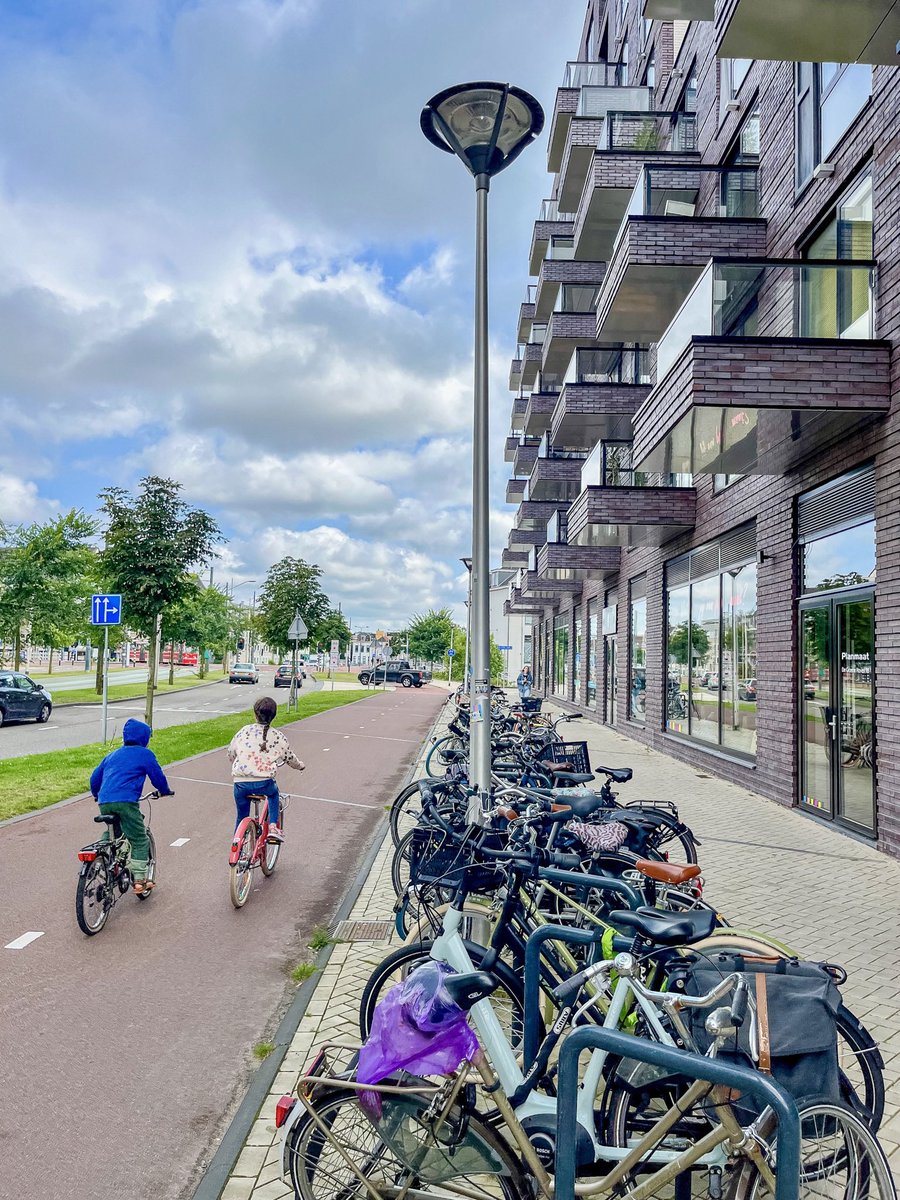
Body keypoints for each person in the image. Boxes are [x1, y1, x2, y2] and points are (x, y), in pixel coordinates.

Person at [89, 718, 173, 895]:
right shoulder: (144, 754)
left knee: (114, 832)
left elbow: (94, 778)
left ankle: (100, 858)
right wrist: (164, 790)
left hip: (105, 802)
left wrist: (97, 795)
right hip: (126, 802)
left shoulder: (112, 755)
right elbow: (157, 776)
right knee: (140, 839)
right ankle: (140, 880)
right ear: (144, 738)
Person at [227, 696, 305, 843]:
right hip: (264, 782)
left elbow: (231, 752)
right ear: (273, 716)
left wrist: (235, 760)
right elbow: (289, 757)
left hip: (240, 783)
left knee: (241, 815)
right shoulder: (277, 736)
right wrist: (300, 765)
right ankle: (274, 827)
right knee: (274, 795)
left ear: (255, 713)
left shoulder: (244, 731)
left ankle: (238, 843)